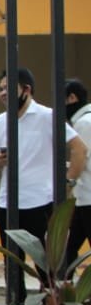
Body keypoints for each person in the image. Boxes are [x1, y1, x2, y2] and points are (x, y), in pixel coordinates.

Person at [0, 67, 85, 302]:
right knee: (12, 262)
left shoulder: (47, 116)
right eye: (0, 89)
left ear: (26, 90)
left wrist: (69, 182)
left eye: (8, 88)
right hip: (7, 202)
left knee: (47, 265)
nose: (3, 93)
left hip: (40, 201)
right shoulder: (0, 120)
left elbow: (79, 148)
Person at [66, 80, 91, 261]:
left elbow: (81, 157)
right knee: (67, 248)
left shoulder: (84, 123)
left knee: (67, 248)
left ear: (72, 98)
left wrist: (69, 181)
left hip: (88, 196)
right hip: (83, 199)